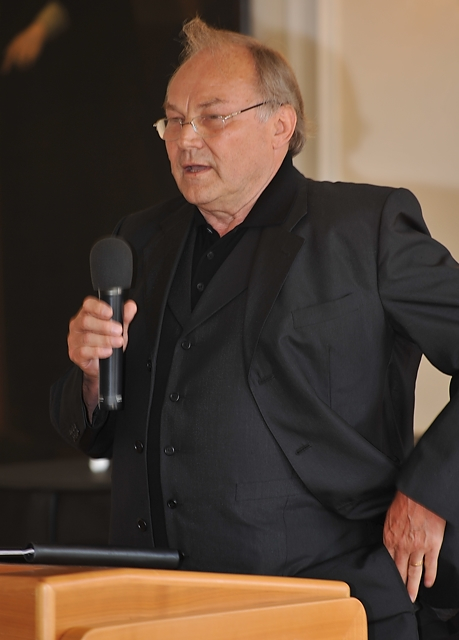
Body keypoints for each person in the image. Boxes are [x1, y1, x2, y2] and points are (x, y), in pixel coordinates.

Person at [51, 17, 459, 640]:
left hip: (328, 597)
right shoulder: (140, 239)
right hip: (153, 601)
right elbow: (100, 431)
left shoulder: (365, 228)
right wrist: (89, 377)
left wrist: (430, 494)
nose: (186, 139)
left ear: (280, 125)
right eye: (173, 120)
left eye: (212, 117)